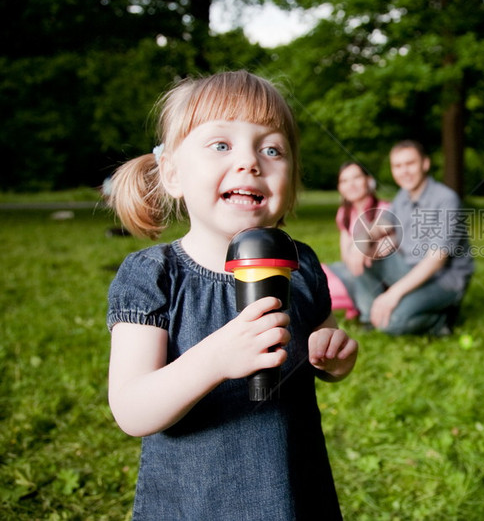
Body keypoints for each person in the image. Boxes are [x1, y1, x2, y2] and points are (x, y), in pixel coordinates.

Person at [105, 70, 358, 521]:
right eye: (221, 145)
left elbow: (324, 337)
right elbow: (131, 409)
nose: (250, 162)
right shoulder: (154, 275)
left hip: (293, 493)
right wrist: (214, 359)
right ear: (172, 173)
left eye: (272, 148)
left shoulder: (300, 265)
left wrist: (333, 358)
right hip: (195, 503)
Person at [352, 140, 474, 336]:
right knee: (365, 256)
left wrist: (393, 293)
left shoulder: (446, 199)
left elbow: (436, 260)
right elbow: (381, 225)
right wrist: (361, 243)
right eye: (398, 166)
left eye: (410, 164)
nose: (404, 171)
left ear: (425, 164)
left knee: (394, 323)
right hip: (409, 267)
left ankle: (442, 321)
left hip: (444, 279)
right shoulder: (403, 196)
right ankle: (371, 316)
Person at [323, 162, 390, 320]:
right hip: (351, 270)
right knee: (313, 273)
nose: (350, 185)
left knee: (321, 290)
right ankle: (352, 301)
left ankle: (357, 304)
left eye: (356, 178)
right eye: (344, 181)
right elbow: (345, 256)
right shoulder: (344, 214)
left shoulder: (385, 210)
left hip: (375, 276)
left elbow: (384, 255)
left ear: (369, 181)